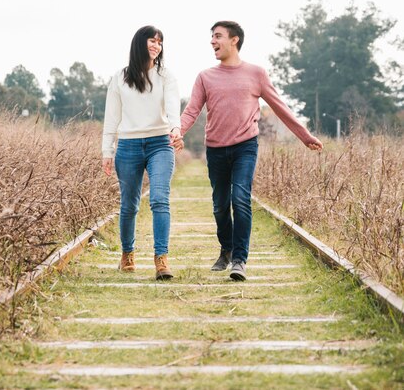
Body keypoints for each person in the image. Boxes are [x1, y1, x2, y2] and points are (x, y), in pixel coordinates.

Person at [178, 20, 323, 281]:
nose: (212, 41)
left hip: (246, 146)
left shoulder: (256, 74)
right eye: (212, 36)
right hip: (215, 149)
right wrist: (177, 132)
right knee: (220, 205)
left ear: (234, 40)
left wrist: (305, 136)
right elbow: (192, 110)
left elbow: (280, 107)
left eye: (217, 36)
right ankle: (226, 248)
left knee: (240, 199)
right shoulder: (205, 76)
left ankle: (239, 260)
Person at [102, 25, 183, 280]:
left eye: (160, 42)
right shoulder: (120, 78)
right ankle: (127, 254)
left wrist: (175, 128)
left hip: (160, 143)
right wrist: (107, 151)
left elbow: (172, 106)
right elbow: (111, 118)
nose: (156, 45)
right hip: (128, 146)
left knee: (160, 198)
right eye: (152, 40)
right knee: (129, 205)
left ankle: (161, 260)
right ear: (140, 43)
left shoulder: (166, 76)